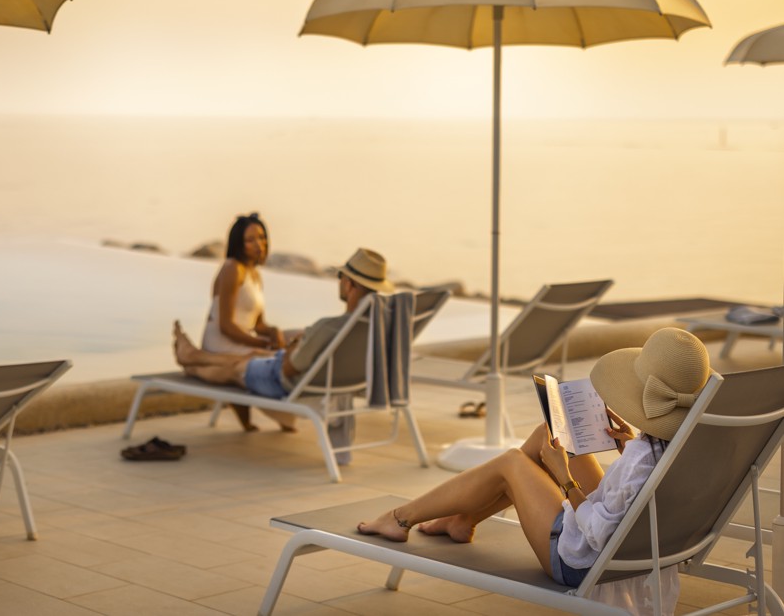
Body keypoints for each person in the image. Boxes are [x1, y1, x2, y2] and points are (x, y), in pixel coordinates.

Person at [356, 327, 711, 592]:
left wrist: (565, 479)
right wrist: (629, 445)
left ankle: (400, 518)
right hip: (633, 540)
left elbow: (603, 532)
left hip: (583, 560)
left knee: (513, 462)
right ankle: (462, 519)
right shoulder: (680, 445)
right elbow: (637, 488)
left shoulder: (643, 461)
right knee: (549, 435)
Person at [174, 248, 393, 400]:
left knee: (235, 369)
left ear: (349, 284)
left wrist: (294, 348)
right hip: (337, 384)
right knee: (254, 356)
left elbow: (288, 370)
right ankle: (194, 356)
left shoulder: (328, 328)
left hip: (288, 383)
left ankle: (194, 367)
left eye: (340, 277)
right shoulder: (379, 329)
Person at [201, 212, 286, 431]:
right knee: (274, 359)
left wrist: (272, 332)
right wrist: (260, 344)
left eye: (261, 237)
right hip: (221, 341)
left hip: (243, 337)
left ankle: (282, 413)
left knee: (289, 344)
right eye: (250, 240)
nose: (259, 244)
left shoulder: (255, 275)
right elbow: (226, 326)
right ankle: (281, 413)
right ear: (239, 244)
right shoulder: (232, 268)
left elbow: (258, 325)